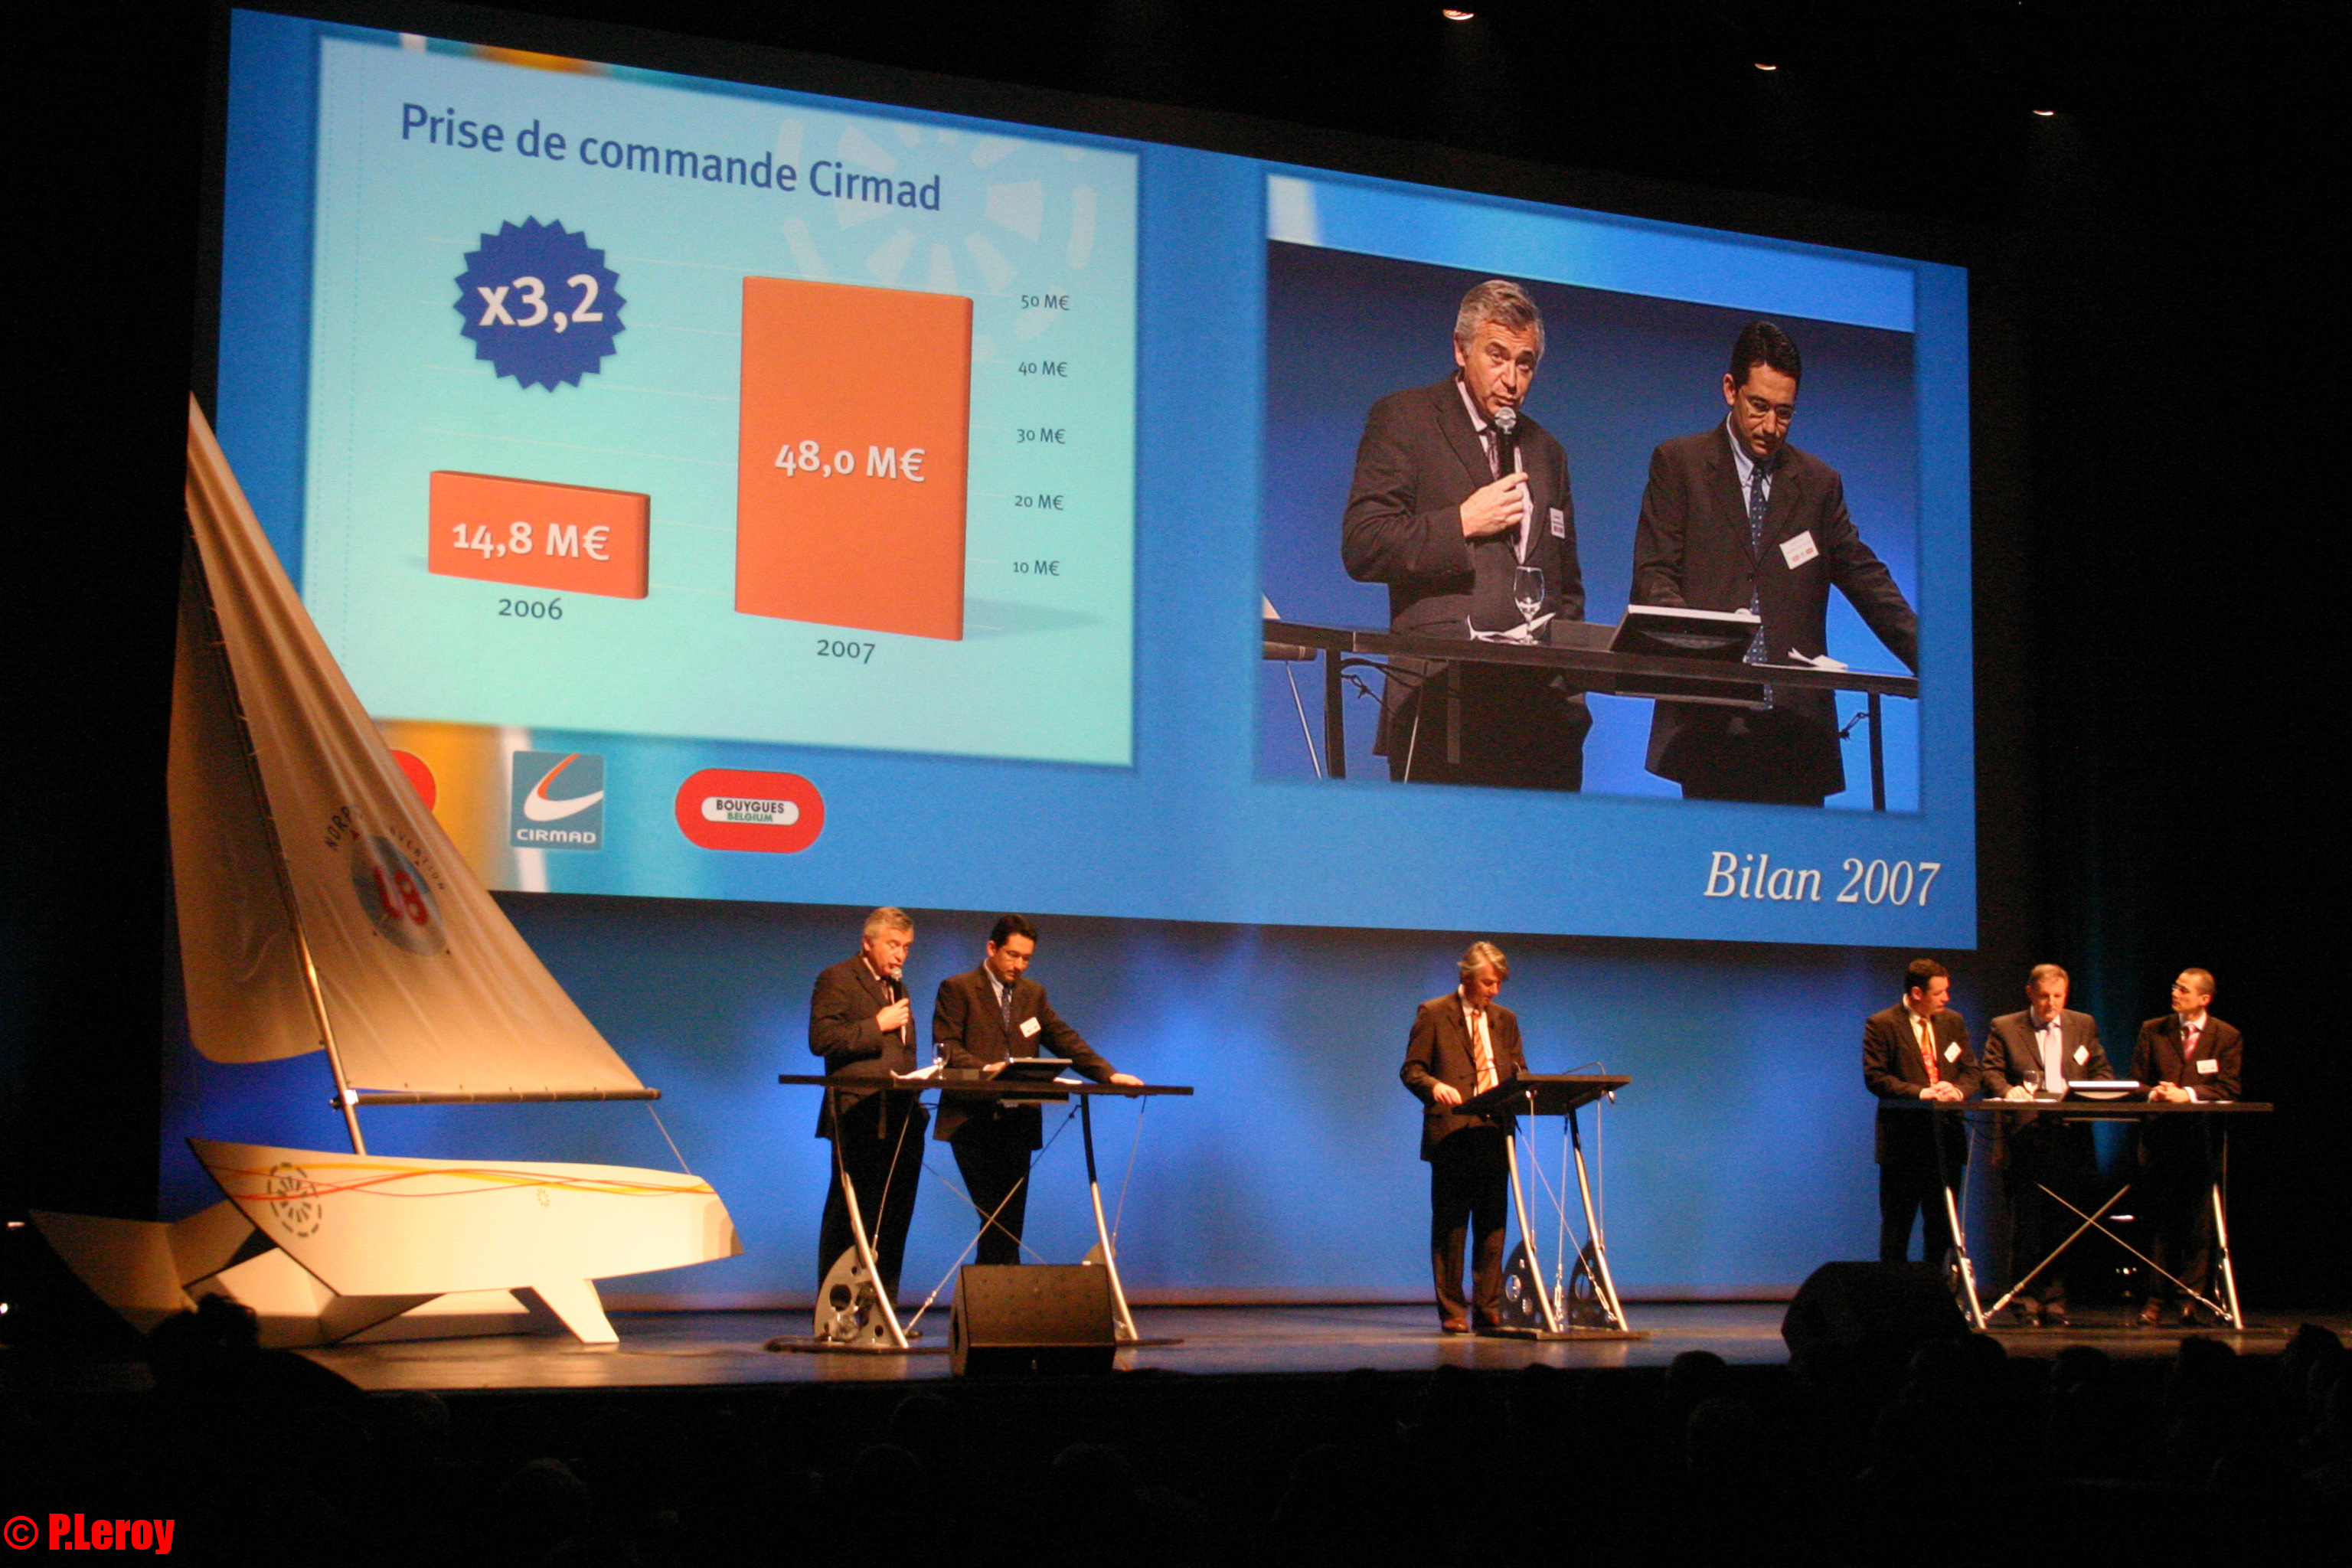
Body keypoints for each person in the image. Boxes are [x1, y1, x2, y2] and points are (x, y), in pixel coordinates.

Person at [1629, 320, 1919, 805]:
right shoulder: (1679, 465)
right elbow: (1654, 576)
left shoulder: (1819, 484)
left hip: (1796, 734)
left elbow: (1868, 581)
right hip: (1709, 722)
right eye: (1759, 407)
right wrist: (1705, 646)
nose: (1770, 427)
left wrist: (1938, 662)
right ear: (1731, 389)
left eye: (1784, 413)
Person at [1341, 279, 1590, 789]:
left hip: (1541, 726)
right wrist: (1462, 523)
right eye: (1497, 356)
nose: (1511, 380)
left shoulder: (1548, 452)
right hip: (1441, 709)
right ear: (1461, 349)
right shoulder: (1405, 419)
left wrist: (1572, 702)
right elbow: (1364, 543)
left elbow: (1567, 590)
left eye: (1525, 364)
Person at [932, 915, 1141, 1265]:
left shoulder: (1033, 994)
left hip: (1019, 1121)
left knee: (1009, 1223)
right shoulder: (958, 988)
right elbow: (947, 1047)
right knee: (995, 1217)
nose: (1019, 965)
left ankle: (994, 1296)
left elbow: (1064, 1039)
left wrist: (1108, 1074)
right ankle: (996, 1295)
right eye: (1012, 955)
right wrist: (988, 1069)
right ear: (992, 948)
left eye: (1026, 958)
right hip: (972, 1119)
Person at [1400, 941, 1528, 1332]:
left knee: (1493, 1226)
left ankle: (1488, 1307)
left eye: (1499, 983)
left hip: (1494, 1132)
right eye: (1488, 983)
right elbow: (1412, 1070)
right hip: (1453, 1134)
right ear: (1466, 977)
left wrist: (1522, 1090)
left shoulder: (1505, 1019)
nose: (1494, 990)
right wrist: (1434, 1086)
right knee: (1452, 1227)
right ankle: (1453, 1311)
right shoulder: (1434, 1013)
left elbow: (1520, 1072)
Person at [1981, 963, 2113, 1325]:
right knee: (2026, 1223)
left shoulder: (2083, 1024)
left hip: (2070, 1137)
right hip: (2025, 1137)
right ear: (2030, 993)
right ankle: (2024, 1299)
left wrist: (2088, 1092)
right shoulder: (2005, 1026)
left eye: (2057, 996)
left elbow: (2102, 1071)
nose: (2050, 1004)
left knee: (2063, 1222)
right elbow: (1990, 1071)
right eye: (2043, 996)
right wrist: (2009, 1090)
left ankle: (2055, 1300)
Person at [809, 907, 928, 1303]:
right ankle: (837, 1310)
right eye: (893, 945)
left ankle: (882, 1313)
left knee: (894, 1217)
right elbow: (822, 1039)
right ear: (867, 942)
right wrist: (877, 1024)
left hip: (901, 1114)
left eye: (906, 947)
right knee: (850, 1216)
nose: (900, 955)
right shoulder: (838, 978)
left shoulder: (899, 988)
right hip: (858, 1113)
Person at [2131, 969, 2243, 1326]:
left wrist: (2188, 1095)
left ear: (2204, 999)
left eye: (2184, 989)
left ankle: (2190, 1299)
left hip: (2201, 1142)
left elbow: (2228, 1087)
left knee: (2199, 1225)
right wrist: (2155, 1094)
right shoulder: (2153, 1029)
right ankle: (2154, 1299)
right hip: (2160, 1141)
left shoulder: (2226, 1035)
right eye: (2175, 986)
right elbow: (2137, 1082)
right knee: (2159, 1224)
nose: (2175, 993)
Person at [1862, 958, 1980, 1265]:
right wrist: (1920, 1092)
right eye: (1939, 993)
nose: (1946, 998)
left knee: (1942, 1228)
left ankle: (1938, 1288)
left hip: (1946, 1141)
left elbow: (1971, 1071)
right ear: (1917, 993)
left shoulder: (1953, 1021)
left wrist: (1957, 1091)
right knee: (1897, 1227)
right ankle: (1894, 1290)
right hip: (1903, 1144)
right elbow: (1876, 1077)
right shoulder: (1883, 1023)